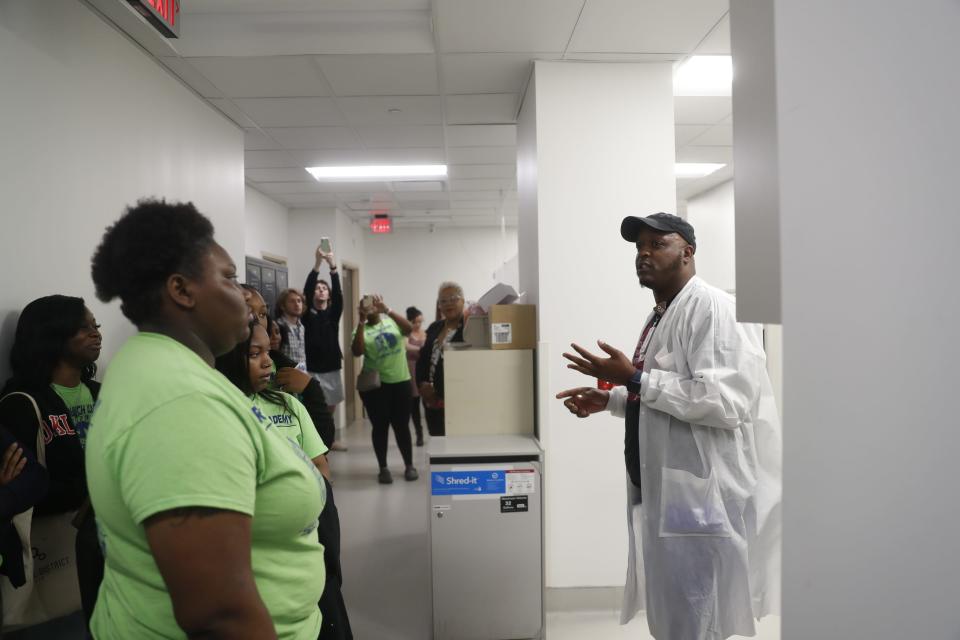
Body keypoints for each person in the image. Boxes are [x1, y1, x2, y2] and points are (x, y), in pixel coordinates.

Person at [87, 199, 326, 639]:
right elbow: (218, 614)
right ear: (182, 290)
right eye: (230, 278)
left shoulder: (167, 368)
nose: (246, 299)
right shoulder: (180, 402)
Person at [556, 213, 782, 640]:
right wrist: (613, 399)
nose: (644, 253)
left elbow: (725, 401)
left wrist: (636, 379)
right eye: (639, 246)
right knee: (677, 613)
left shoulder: (714, 308)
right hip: (671, 492)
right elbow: (671, 396)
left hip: (700, 497)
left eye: (657, 244)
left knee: (698, 616)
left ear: (688, 252)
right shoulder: (663, 313)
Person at [215, 321, 352, 640]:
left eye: (268, 352)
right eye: (254, 353)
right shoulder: (221, 413)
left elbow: (320, 463)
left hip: (312, 539)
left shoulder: (288, 403)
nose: (267, 361)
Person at [0, 295, 105, 632]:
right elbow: (26, 488)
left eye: (96, 326)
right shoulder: (22, 403)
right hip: (57, 548)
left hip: (110, 550)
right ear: (52, 335)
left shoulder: (105, 392)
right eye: (83, 327)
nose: (96, 334)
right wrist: (96, 488)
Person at [350, 295, 418, 484]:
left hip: (401, 382)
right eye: (365, 306)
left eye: (373, 304)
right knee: (380, 427)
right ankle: (383, 468)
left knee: (402, 426)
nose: (370, 308)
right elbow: (357, 351)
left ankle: (409, 465)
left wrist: (387, 309)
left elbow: (409, 328)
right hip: (376, 388)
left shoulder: (391, 322)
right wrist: (362, 322)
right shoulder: (360, 330)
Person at [303, 244, 347, 451]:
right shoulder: (306, 314)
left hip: (331, 366)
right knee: (314, 406)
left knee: (330, 407)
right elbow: (305, 290)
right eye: (318, 288)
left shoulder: (333, 313)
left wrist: (332, 267)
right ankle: (315, 441)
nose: (321, 290)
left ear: (328, 295)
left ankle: (328, 439)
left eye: (324, 288)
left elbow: (338, 295)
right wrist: (317, 264)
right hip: (312, 367)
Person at [415, 282, 466, 437]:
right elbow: (422, 359)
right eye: (443, 301)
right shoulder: (434, 327)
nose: (448, 304)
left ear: (463, 301)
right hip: (432, 404)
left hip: (458, 402)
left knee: (457, 450)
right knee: (438, 447)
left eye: (453, 299)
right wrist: (422, 385)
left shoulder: (470, 328)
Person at [404, 306, 426, 447]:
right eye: (415, 322)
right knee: (414, 404)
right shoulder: (407, 333)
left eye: (420, 321)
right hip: (411, 368)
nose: (418, 324)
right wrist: (421, 349)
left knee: (427, 401)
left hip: (423, 368)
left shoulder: (425, 333)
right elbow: (406, 347)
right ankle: (419, 434)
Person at [274, 288, 307, 369]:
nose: (297, 304)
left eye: (299, 301)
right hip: (285, 374)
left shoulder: (302, 327)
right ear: (282, 306)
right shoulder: (278, 326)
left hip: (301, 374)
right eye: (292, 301)